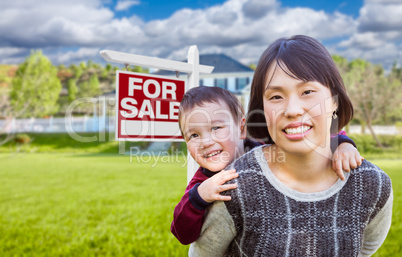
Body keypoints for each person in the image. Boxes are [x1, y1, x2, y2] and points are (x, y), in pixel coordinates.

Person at [189, 35, 393, 256]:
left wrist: (343, 143)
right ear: (262, 110)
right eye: (276, 97)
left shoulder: (372, 185)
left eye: (307, 92)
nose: (292, 110)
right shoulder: (234, 186)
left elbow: (366, 248)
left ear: (334, 100)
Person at [171, 86, 362, 245]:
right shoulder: (201, 182)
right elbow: (182, 234)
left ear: (242, 128)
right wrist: (199, 197)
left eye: (216, 128)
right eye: (194, 135)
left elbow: (312, 139)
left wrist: (343, 144)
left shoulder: (267, 150)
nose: (205, 142)